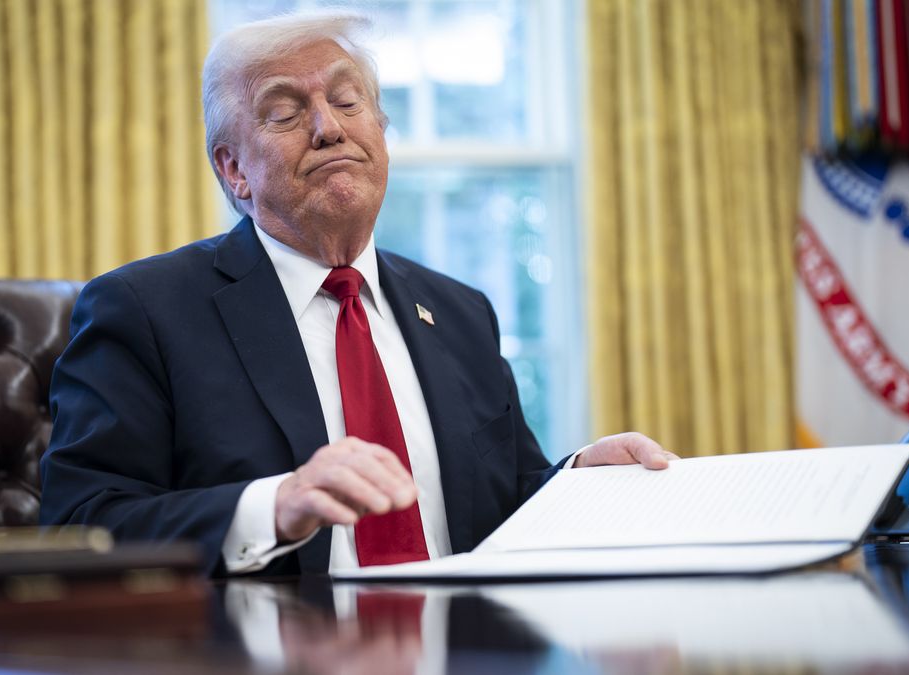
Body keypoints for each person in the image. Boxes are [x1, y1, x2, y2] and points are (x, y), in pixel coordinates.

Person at [39, 12, 676, 577]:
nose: (328, 129)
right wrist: (274, 507)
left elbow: (502, 498)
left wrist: (579, 482)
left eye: (348, 102)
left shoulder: (459, 312)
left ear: (380, 133)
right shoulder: (144, 311)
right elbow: (80, 527)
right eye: (285, 112)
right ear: (234, 170)